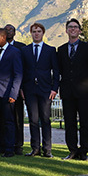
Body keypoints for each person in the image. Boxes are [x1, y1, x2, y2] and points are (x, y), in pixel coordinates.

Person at [57, 18, 88, 161]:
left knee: (85, 123)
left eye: (75, 27)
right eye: (70, 27)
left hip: (84, 92)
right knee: (70, 123)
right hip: (68, 92)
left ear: (79, 31)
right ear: (66, 30)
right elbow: (60, 71)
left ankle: (84, 151)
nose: (73, 29)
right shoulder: (61, 50)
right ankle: (72, 150)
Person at [21, 23, 59, 158]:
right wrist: (21, 89)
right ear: (30, 33)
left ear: (43, 33)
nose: (36, 33)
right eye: (34, 31)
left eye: (38, 31)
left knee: (45, 119)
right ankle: (35, 148)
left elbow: (56, 70)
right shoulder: (25, 50)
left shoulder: (50, 50)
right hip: (29, 89)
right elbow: (22, 71)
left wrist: (54, 89)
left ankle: (47, 149)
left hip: (45, 90)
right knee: (33, 120)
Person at [0, 28, 23, 157]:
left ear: (3, 37)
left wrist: (14, 93)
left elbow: (18, 74)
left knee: (8, 121)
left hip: (7, 92)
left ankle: (9, 149)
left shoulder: (15, 52)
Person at [5, 23, 26, 154]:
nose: (8, 32)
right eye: (6, 30)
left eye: (11, 30)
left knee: (18, 118)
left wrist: (21, 87)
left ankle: (18, 145)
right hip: (3, 89)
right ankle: (7, 143)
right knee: (6, 118)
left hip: (18, 88)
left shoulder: (21, 48)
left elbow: (23, 69)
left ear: (15, 32)